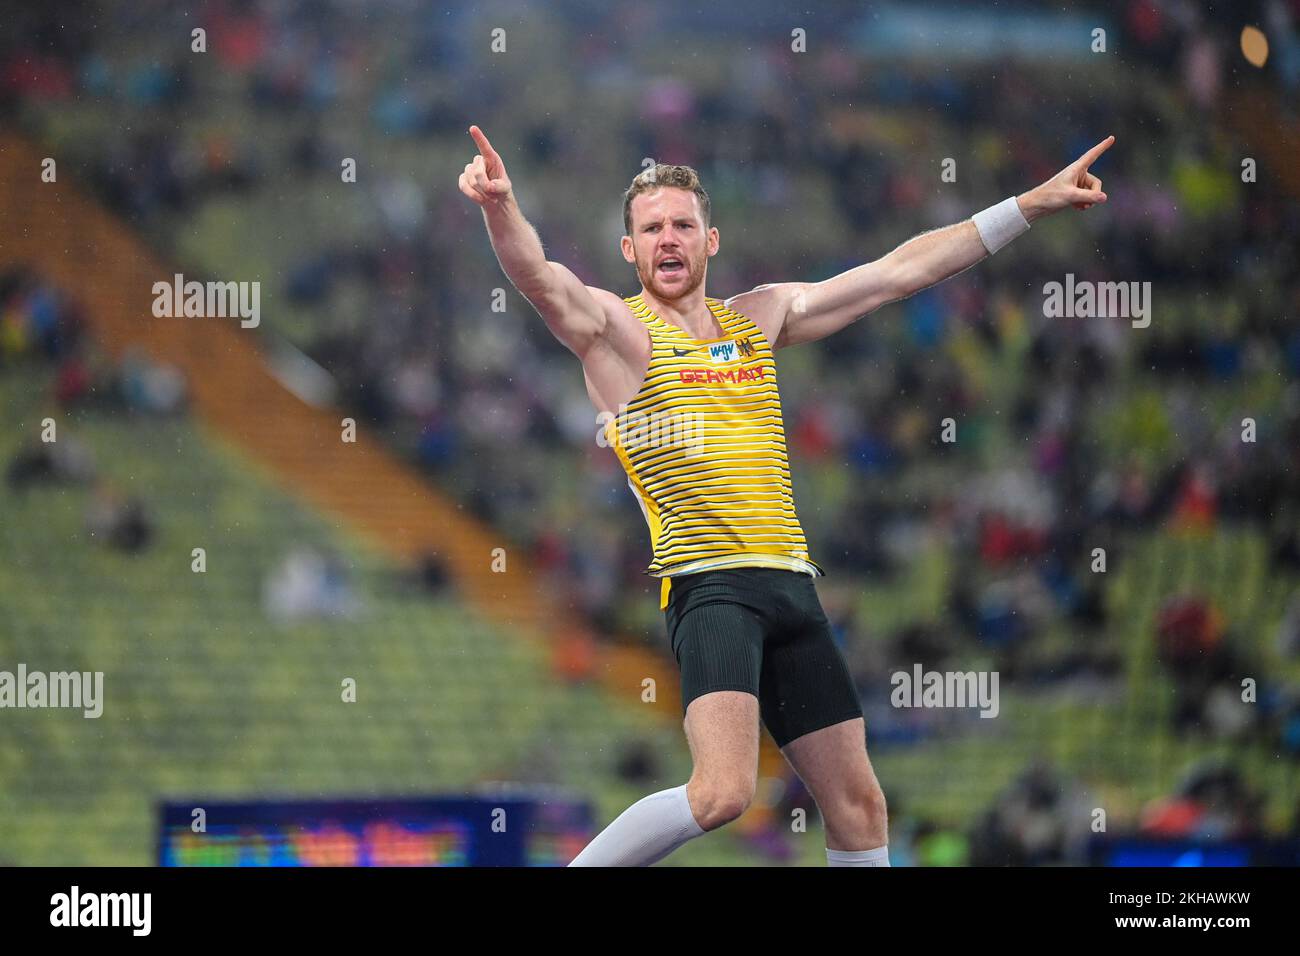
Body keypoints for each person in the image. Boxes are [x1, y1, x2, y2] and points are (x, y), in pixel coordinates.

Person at [459, 124, 1113, 866]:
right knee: (722, 794)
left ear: (711, 241)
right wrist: (499, 208)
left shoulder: (761, 317)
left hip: (792, 590)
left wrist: (1025, 206)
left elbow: (897, 272)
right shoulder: (617, 330)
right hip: (712, 589)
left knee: (861, 809)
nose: (667, 238)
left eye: (682, 225)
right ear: (629, 251)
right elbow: (540, 277)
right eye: (651, 229)